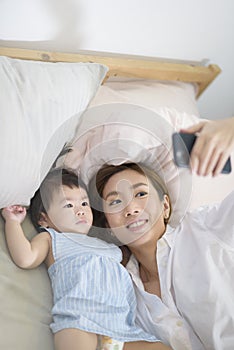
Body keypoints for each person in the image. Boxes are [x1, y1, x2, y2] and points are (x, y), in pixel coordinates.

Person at [1, 168, 171, 350]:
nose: (80, 211)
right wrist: (13, 221)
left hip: (121, 329)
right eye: (69, 205)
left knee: (161, 347)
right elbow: (26, 258)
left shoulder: (111, 247)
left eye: (84, 204)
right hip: (80, 319)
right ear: (44, 219)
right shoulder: (53, 239)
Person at [89, 160, 234, 350]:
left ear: (165, 206)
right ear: (109, 228)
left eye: (141, 194)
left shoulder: (204, 226)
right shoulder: (121, 291)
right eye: (115, 202)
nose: (131, 209)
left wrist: (227, 131)